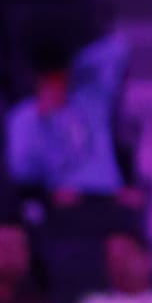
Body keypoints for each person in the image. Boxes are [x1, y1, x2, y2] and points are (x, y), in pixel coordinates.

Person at [7, 31, 136, 205]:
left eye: (61, 79)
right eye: (50, 81)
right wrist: (42, 123)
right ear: (38, 81)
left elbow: (117, 47)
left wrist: (73, 61)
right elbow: (21, 173)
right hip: (61, 203)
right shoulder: (24, 118)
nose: (57, 87)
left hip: (108, 198)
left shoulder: (91, 100)